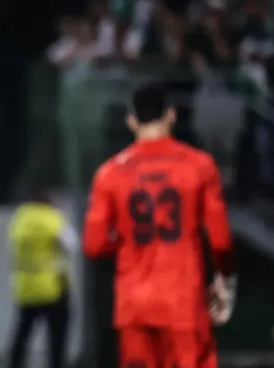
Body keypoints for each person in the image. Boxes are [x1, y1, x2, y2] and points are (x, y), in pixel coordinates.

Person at [82, 85, 237, 368]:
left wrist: (128, 239)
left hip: (134, 306)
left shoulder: (110, 173)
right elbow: (220, 241)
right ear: (171, 115)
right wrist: (224, 278)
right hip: (183, 302)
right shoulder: (199, 165)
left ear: (131, 120)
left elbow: (94, 245)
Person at [8, 182, 77, 368]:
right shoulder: (52, 218)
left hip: (26, 286)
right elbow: (71, 244)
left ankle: (14, 363)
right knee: (57, 334)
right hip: (52, 286)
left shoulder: (20, 217)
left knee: (23, 332)